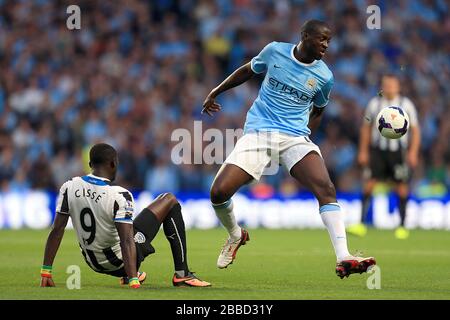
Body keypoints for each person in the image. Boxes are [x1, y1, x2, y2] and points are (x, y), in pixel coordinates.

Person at [202, 20, 376, 278]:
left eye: (328, 41)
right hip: (260, 131)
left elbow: (319, 109)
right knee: (218, 192)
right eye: (321, 39)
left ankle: (344, 257)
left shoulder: (324, 76)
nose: (326, 46)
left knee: (326, 188)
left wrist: (307, 138)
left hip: (295, 137)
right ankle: (235, 235)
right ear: (304, 36)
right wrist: (216, 91)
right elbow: (248, 70)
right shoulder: (275, 51)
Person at [40, 143, 210, 288]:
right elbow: (127, 240)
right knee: (169, 200)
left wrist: (46, 271)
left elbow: (57, 229)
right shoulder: (119, 195)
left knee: (130, 222)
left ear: (91, 163)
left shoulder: (69, 186)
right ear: (113, 164)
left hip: (92, 262)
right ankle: (182, 274)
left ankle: (130, 274)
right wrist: (134, 280)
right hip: (118, 263)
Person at [349, 74, 420, 239]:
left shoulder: (406, 105)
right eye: (386, 85)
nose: (389, 88)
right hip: (377, 151)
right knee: (369, 184)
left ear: (398, 87)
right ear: (382, 86)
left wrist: (413, 151)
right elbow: (365, 127)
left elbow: (415, 130)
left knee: (401, 186)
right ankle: (360, 224)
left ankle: (402, 226)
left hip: (398, 152)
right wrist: (363, 151)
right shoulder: (374, 104)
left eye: (392, 85)